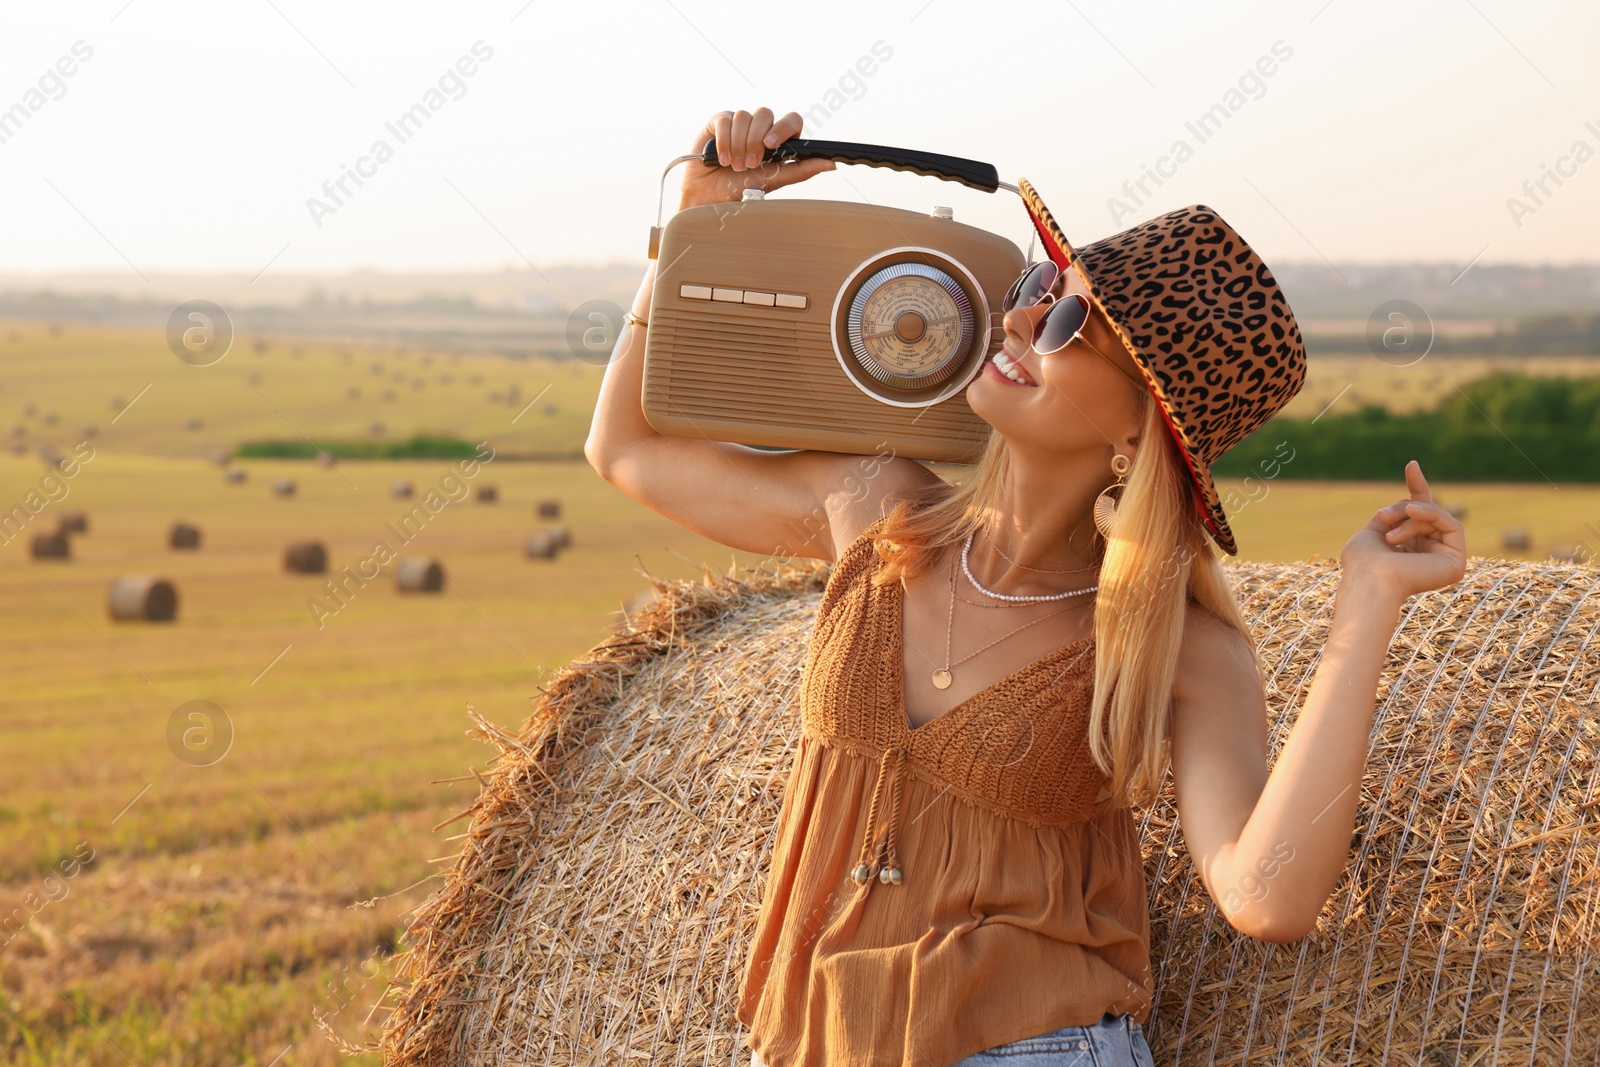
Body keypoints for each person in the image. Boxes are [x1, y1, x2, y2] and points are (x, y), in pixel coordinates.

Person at [584, 107, 1467, 1067]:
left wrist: (1366, 607)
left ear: (1143, 429)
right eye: (1044, 285)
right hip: (812, 1043)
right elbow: (625, 449)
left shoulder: (1171, 645)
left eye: (1072, 322)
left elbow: (1265, 896)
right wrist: (698, 226)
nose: (1019, 318)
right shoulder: (878, 510)